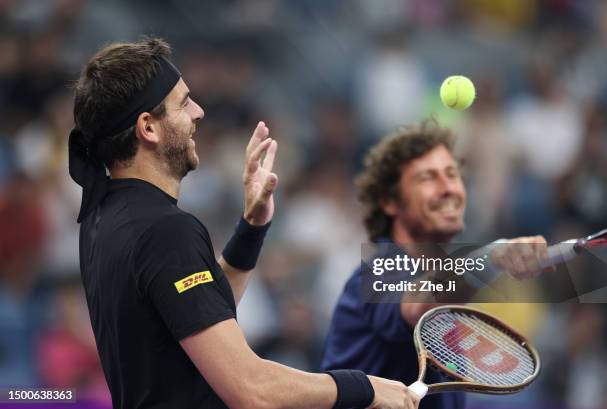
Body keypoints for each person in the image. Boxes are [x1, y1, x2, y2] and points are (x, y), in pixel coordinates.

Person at [68, 37, 420, 409]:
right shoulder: (166, 230)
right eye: (184, 102)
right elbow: (251, 388)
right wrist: (364, 388)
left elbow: (197, 315)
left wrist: (251, 227)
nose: (199, 111)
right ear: (148, 128)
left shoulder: (102, 217)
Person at [321, 120, 551, 409]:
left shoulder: (451, 293)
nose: (449, 188)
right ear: (390, 201)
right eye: (428, 178)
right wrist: (492, 257)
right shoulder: (374, 274)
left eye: (453, 174)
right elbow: (420, 305)